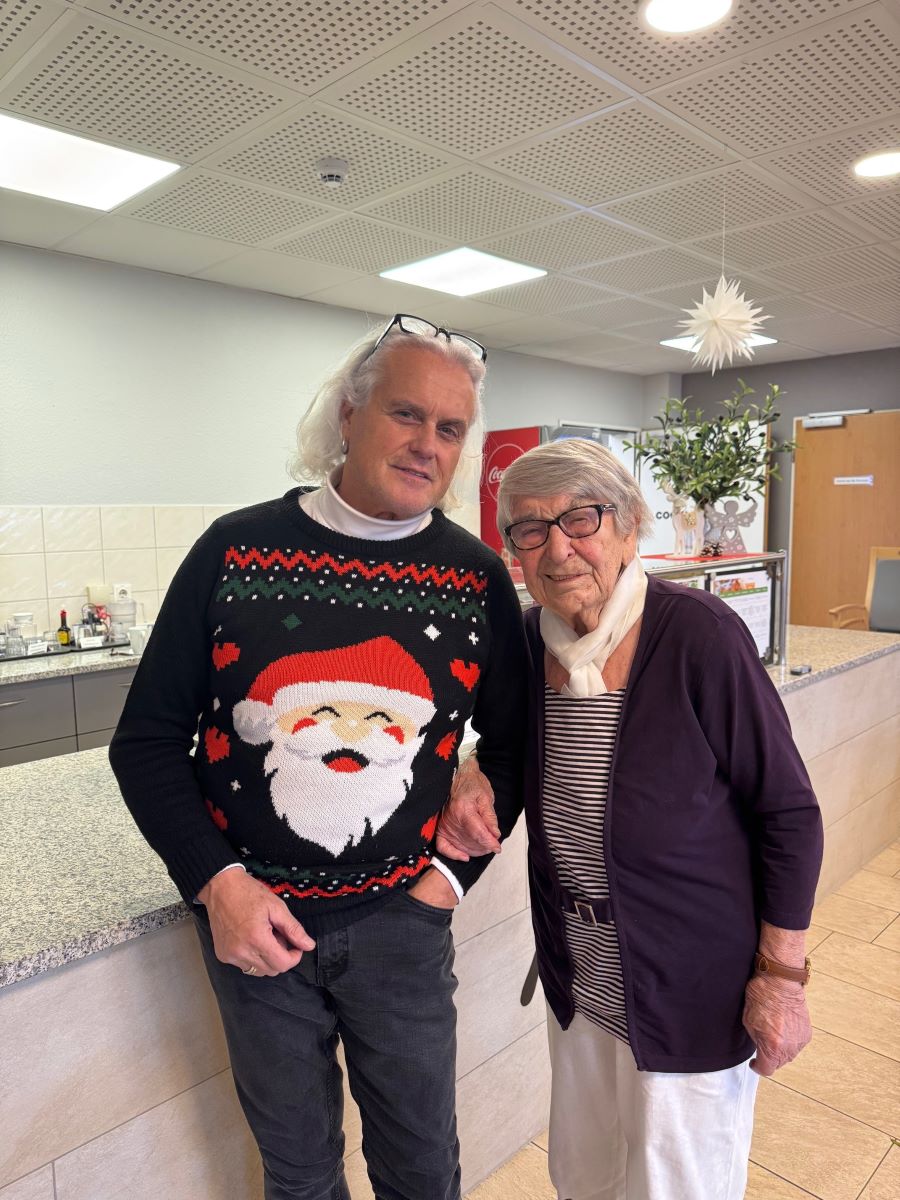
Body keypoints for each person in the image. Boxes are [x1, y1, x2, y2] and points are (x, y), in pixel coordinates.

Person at [109, 314, 526, 1200]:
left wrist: (446, 885)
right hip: (256, 929)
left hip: (403, 927)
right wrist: (218, 885)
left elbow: (519, 745)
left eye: (451, 428)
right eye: (406, 414)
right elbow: (144, 743)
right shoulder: (234, 551)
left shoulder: (476, 577)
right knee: (298, 1178)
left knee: (423, 1172)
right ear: (348, 414)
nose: (427, 445)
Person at [437, 438, 823, 1200]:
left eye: (581, 518)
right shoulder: (528, 642)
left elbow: (788, 812)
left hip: (688, 984)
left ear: (628, 524)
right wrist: (471, 769)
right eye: (530, 528)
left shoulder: (699, 635)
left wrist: (782, 979)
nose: (557, 549)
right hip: (580, 977)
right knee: (585, 1176)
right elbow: (504, 747)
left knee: (677, 1184)